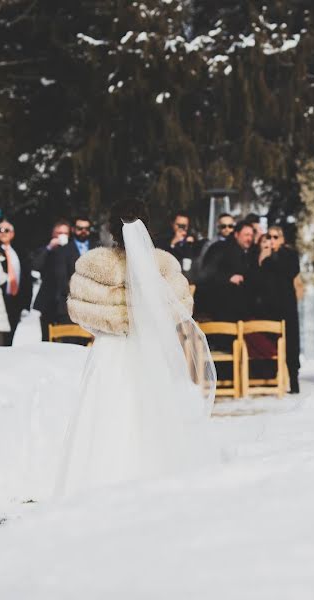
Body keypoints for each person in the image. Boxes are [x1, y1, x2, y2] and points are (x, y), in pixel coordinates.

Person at [57, 216, 216, 495]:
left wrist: (108, 326)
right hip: (150, 349)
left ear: (110, 231)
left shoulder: (95, 266)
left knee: (105, 415)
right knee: (153, 409)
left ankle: (100, 480)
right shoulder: (163, 266)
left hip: (110, 350)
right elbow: (180, 310)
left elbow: (80, 313)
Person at [265, 226, 302, 393]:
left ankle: (294, 380)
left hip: (286, 304)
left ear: (282, 239)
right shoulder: (264, 256)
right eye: (269, 236)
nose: (272, 240)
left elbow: (291, 271)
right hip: (269, 306)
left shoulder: (289, 255)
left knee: (291, 342)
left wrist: (271, 258)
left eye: (275, 237)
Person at [202, 221, 255, 321]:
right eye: (246, 235)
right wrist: (228, 278)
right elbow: (207, 274)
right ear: (236, 234)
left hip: (239, 310)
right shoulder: (219, 248)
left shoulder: (248, 253)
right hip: (219, 307)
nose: (249, 239)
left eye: (251, 235)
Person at [0, 219, 33, 345]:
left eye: (7, 230)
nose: (3, 233)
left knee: (9, 337)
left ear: (12, 233)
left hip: (15, 300)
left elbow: (26, 279)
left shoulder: (19, 252)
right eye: (0, 230)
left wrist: (26, 303)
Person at [32, 219, 71, 341]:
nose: (61, 236)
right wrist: (49, 248)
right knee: (47, 338)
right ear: (53, 234)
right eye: (58, 233)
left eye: (65, 233)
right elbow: (35, 265)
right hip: (47, 300)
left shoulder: (73, 250)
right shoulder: (46, 250)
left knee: (67, 337)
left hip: (66, 302)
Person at [193, 213, 236, 317]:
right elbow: (203, 266)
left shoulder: (236, 243)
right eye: (223, 226)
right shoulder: (210, 244)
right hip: (214, 288)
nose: (227, 229)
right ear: (218, 227)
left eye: (230, 226)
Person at [162, 211, 199, 280]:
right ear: (172, 224)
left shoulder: (193, 240)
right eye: (179, 225)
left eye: (184, 226)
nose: (182, 228)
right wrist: (173, 243)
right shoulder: (164, 239)